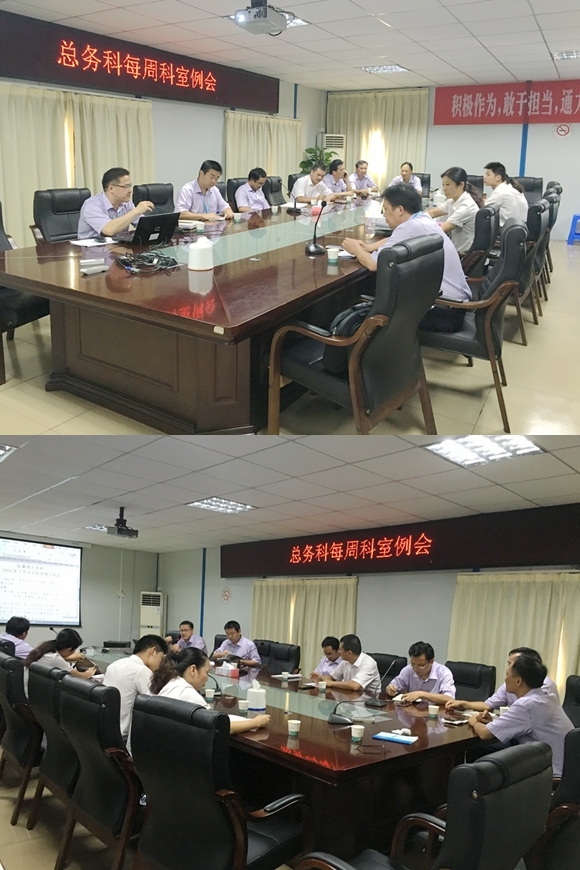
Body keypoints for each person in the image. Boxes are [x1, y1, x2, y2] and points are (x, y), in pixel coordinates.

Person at [342, 183, 471, 333]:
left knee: (370, 313)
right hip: (454, 307)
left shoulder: (409, 227)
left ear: (400, 210)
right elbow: (397, 239)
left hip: (442, 311)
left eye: (386, 209)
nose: (384, 215)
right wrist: (370, 247)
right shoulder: (422, 219)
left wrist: (356, 250)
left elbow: (373, 264)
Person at [467, 654, 573, 777]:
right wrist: (494, 723)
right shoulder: (547, 697)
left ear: (518, 681)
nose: (505, 679)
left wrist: (474, 721)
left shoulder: (526, 705)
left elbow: (485, 734)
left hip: (551, 775)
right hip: (569, 771)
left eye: (507, 674)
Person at [151, 647, 270, 734]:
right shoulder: (187, 693)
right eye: (206, 672)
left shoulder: (171, 683)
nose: (207, 678)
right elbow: (219, 727)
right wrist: (256, 722)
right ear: (193, 670)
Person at [446, 647, 560, 714]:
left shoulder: (543, 685)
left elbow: (524, 714)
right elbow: (488, 705)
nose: (508, 668)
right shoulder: (512, 683)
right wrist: (464, 704)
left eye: (511, 664)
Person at [103, 634, 168, 748]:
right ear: (153, 651)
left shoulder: (114, 664)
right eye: (161, 658)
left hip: (105, 730)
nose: (161, 663)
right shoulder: (141, 670)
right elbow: (155, 705)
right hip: (122, 737)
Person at [77, 167, 154, 240]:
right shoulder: (92, 205)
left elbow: (143, 225)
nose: (130, 190)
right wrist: (136, 211)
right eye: (126, 187)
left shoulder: (126, 203)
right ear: (111, 188)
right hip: (92, 248)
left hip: (117, 245)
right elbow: (109, 230)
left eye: (130, 186)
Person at [24, 628, 96, 694]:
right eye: (73, 650)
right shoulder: (55, 658)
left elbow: (53, 660)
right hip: (37, 694)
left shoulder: (46, 649)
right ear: (69, 649)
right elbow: (81, 677)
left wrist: (67, 658)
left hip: (31, 692)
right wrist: (89, 672)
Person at [426, 166, 480, 253]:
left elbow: (442, 229)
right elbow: (433, 213)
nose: (444, 188)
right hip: (454, 248)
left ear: (461, 185)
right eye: (443, 184)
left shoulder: (466, 206)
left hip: (463, 254)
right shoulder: (453, 200)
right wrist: (415, 217)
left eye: (447, 184)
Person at [386, 641, 456, 705]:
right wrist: (390, 689)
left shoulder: (443, 672)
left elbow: (449, 699)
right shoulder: (409, 669)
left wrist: (421, 694)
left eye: (421, 665)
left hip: (435, 712)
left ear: (431, 662)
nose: (415, 668)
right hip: (412, 711)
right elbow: (393, 686)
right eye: (413, 663)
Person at [483, 162, 528, 226]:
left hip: (505, 228)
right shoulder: (510, 187)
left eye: (488, 175)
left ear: (498, 177)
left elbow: (483, 210)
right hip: (520, 226)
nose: (484, 177)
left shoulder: (500, 192)